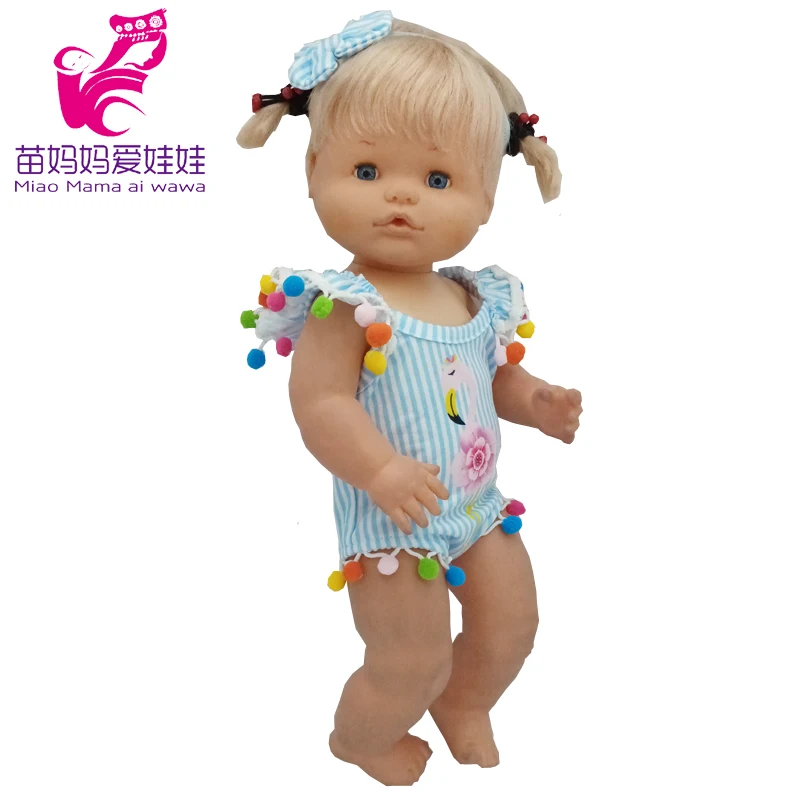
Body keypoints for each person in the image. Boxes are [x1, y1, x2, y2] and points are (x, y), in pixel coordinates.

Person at [237, 11, 582, 786]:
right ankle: (360, 739)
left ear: (486, 199)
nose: (401, 197)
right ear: (314, 169)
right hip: (393, 521)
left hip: (478, 506)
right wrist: (382, 471)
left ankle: (465, 702)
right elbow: (322, 405)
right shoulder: (345, 305)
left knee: (512, 625)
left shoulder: (472, 297)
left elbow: (487, 379)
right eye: (366, 171)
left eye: (437, 180)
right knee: (409, 658)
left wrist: (536, 400)